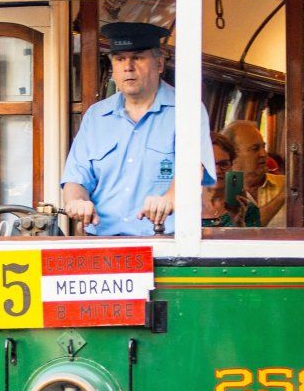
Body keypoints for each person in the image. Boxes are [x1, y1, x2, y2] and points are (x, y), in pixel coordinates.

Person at [61, 21, 216, 235]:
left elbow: (192, 171)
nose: (128, 67)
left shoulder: (186, 110)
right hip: (103, 243)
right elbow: (75, 178)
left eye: (138, 57)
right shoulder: (96, 116)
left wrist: (168, 200)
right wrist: (77, 202)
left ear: (159, 63)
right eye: (120, 59)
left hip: (165, 242)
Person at [222, 120, 286, 227]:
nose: (264, 154)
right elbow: (241, 230)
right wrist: (282, 197)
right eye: (255, 149)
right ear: (232, 154)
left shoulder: (287, 184)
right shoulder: (222, 192)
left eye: (263, 147)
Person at [202, 132, 260, 228]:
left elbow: (251, 242)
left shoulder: (248, 210)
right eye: (209, 164)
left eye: (223, 164)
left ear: (232, 166)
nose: (217, 170)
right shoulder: (184, 206)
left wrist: (239, 223)